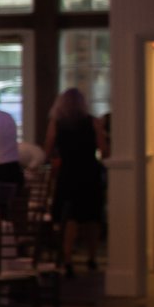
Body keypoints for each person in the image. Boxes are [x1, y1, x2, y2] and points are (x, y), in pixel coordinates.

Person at [47, 87, 107, 272]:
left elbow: (47, 149)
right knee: (92, 217)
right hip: (90, 172)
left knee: (69, 216)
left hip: (68, 172)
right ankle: (92, 256)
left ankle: (67, 258)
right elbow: (104, 150)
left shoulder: (57, 123)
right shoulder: (93, 122)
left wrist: (56, 159)